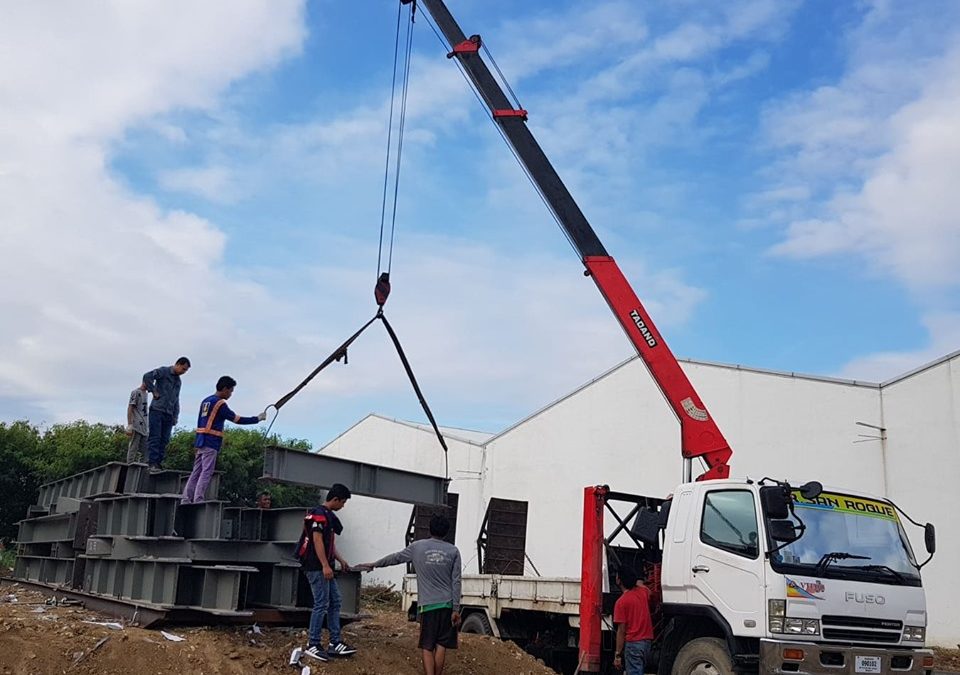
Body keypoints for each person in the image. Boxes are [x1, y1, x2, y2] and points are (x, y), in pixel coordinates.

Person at [360, 515, 462, 675]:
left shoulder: (417, 547)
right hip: (447, 606)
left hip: (428, 606)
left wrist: (375, 564)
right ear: (447, 532)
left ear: (430, 529)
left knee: (427, 646)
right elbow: (456, 581)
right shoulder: (454, 551)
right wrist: (456, 608)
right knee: (441, 645)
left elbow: (396, 558)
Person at [296, 484, 358, 663]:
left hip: (324, 565)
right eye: (343, 502)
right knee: (321, 603)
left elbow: (328, 543)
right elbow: (317, 540)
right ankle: (313, 643)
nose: (343, 506)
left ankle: (335, 642)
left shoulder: (326, 517)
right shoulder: (319, 515)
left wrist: (340, 560)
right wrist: (325, 565)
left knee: (335, 601)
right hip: (316, 567)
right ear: (336, 499)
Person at [180, 376, 266, 504]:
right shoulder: (220, 403)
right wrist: (257, 419)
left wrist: (196, 443)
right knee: (206, 472)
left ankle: (186, 499)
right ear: (225, 389)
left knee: (196, 471)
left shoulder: (206, 401)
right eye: (230, 391)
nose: (230, 394)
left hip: (200, 441)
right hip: (211, 442)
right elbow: (236, 419)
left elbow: (200, 422)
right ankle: (198, 499)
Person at [143, 357, 191, 471]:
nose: (184, 372)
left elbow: (176, 399)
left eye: (186, 371)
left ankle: (158, 462)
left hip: (169, 413)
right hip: (157, 409)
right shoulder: (163, 371)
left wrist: (175, 416)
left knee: (165, 439)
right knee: (155, 436)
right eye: (183, 369)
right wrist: (153, 391)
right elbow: (147, 376)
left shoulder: (178, 381)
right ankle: (152, 462)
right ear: (178, 364)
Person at [612, 567, 654, 675]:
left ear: (619, 580)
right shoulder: (643, 592)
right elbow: (648, 591)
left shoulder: (621, 603)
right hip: (647, 642)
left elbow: (621, 630)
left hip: (633, 643)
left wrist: (617, 655)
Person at [125, 383, 149, 463]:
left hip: (145, 425)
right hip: (136, 424)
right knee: (133, 447)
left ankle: (143, 466)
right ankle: (130, 464)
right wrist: (130, 424)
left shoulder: (145, 394)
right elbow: (130, 407)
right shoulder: (136, 392)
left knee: (145, 449)